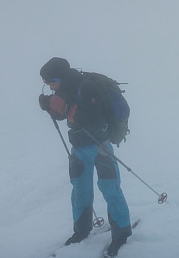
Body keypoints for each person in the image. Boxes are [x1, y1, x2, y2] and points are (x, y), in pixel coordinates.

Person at [39, 57, 132, 257]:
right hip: (79, 147)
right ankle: (81, 230)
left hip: (100, 146)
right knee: (80, 189)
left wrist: (59, 106)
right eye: (46, 84)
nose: (50, 87)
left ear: (60, 77)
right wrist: (50, 106)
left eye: (50, 82)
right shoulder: (63, 89)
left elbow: (92, 119)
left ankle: (121, 233)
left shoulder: (86, 87)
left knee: (109, 188)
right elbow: (64, 115)